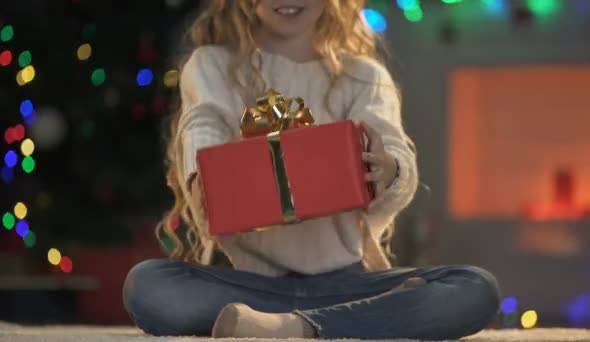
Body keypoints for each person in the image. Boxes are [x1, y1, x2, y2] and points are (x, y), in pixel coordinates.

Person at [123, 0, 500, 339]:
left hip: (345, 283)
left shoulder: (363, 76)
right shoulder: (212, 63)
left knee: (473, 287)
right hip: (249, 286)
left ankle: (295, 327)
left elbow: (393, 148)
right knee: (148, 285)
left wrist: (387, 172)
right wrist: (202, 178)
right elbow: (201, 126)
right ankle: (353, 322)